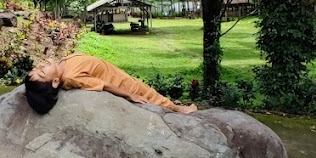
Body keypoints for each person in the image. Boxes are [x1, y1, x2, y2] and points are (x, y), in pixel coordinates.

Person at [24, 54, 197, 115]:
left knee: (150, 92)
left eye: (36, 68)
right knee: (150, 96)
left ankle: (177, 108)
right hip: (120, 83)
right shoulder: (70, 78)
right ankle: (180, 111)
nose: (40, 66)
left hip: (117, 73)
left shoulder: (62, 65)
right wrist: (129, 95)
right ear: (55, 82)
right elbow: (103, 85)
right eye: (41, 73)